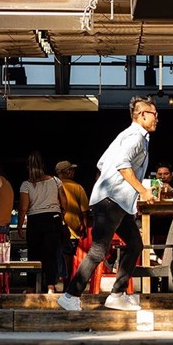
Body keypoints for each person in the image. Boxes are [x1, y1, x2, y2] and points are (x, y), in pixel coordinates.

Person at [58, 96, 158, 312]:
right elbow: (122, 165)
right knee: (98, 250)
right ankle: (70, 295)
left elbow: (102, 163)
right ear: (142, 115)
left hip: (116, 201)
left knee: (135, 245)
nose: (157, 119)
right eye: (154, 114)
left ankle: (117, 295)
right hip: (111, 201)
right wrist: (142, 191)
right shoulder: (136, 137)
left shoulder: (124, 136)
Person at [18, 151, 64, 293]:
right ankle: (51, 286)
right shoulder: (56, 181)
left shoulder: (26, 185)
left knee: (34, 255)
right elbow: (65, 202)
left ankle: (31, 287)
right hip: (53, 219)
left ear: (27, 167)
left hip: (36, 220)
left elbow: (23, 207)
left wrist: (20, 225)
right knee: (50, 254)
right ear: (43, 165)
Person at [56, 160, 89, 277]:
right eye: (71, 170)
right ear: (67, 172)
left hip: (54, 227)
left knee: (54, 256)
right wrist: (84, 227)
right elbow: (85, 211)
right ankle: (66, 285)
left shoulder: (52, 185)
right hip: (72, 231)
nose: (73, 172)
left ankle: (52, 284)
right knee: (68, 258)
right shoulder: (77, 187)